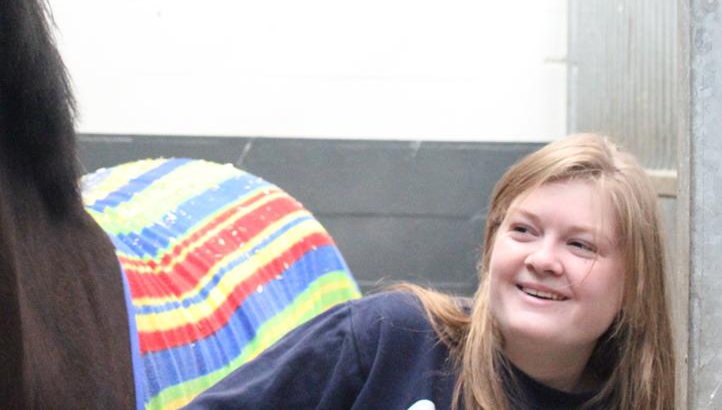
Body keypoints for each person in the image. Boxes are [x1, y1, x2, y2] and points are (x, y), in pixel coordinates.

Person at [185, 133, 674, 409]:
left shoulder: (637, 398)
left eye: (580, 245)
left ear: (635, 285)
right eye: (523, 231)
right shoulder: (388, 339)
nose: (543, 259)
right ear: (490, 249)